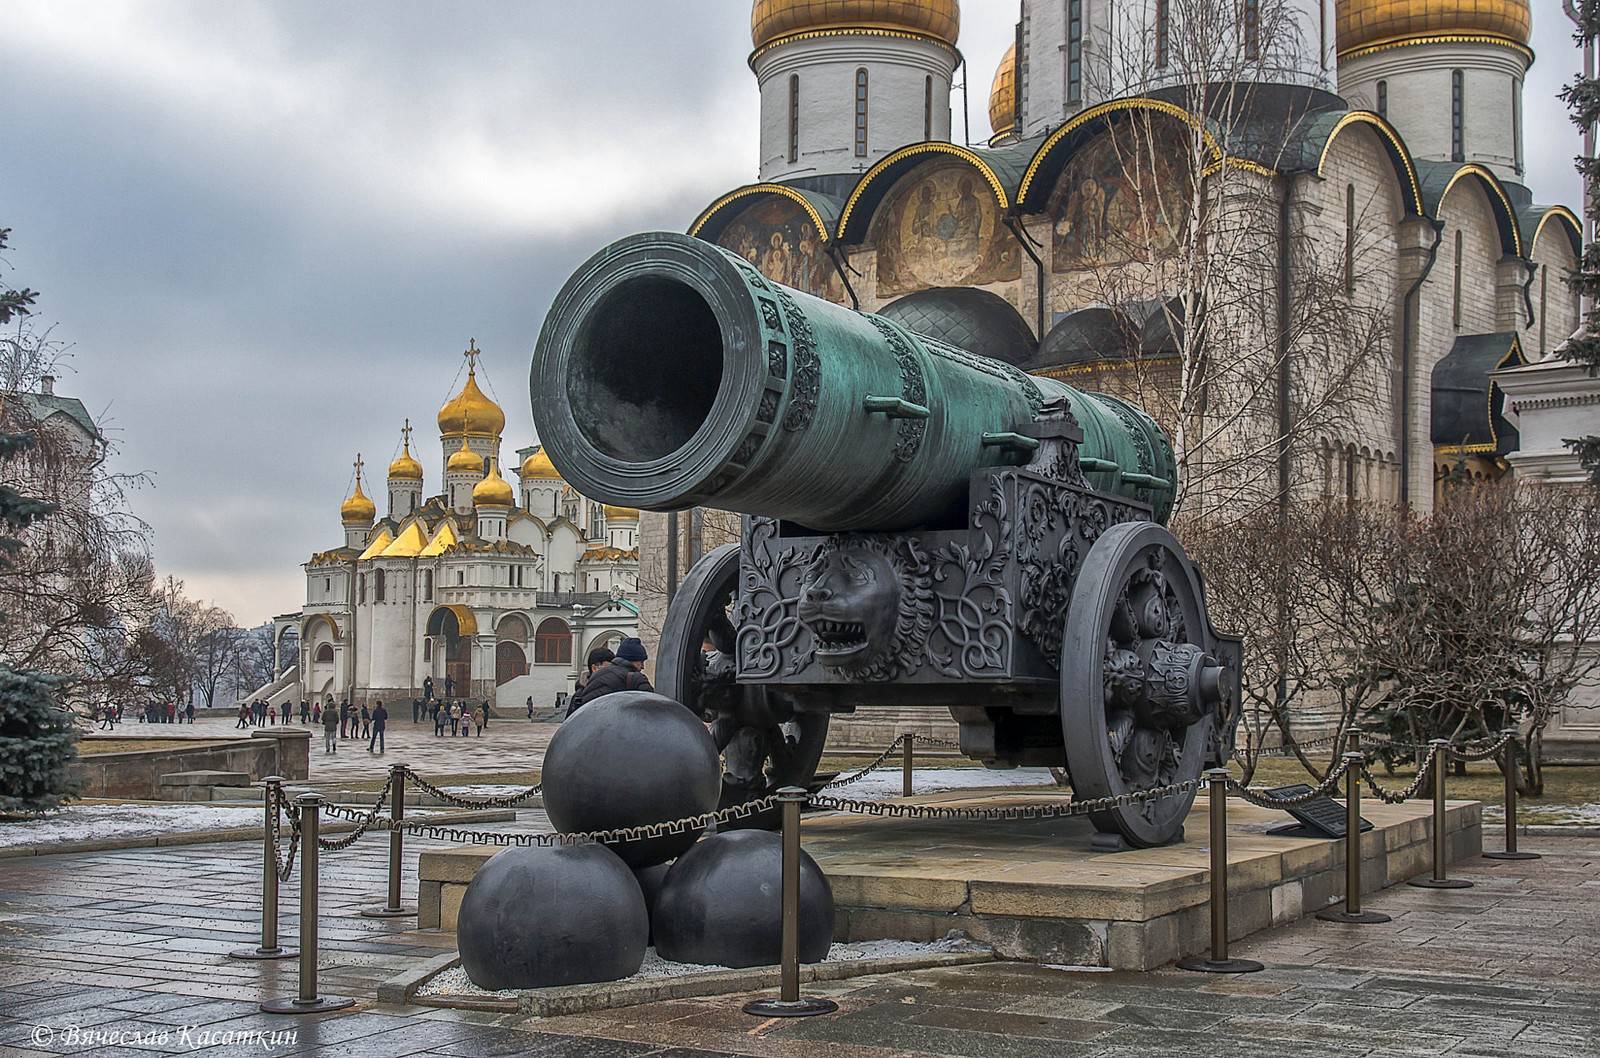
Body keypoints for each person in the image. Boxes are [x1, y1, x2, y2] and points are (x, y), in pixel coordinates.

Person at [568, 639, 650, 714]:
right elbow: (653, 708)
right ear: (632, 660)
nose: (643, 666)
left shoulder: (597, 676)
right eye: (641, 662)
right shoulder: (637, 678)